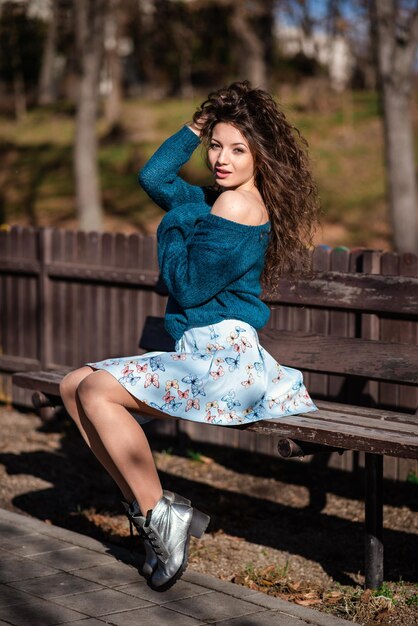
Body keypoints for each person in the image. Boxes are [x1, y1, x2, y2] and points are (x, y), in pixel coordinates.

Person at [60, 81, 319, 591]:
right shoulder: (213, 198)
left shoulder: (236, 207)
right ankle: (154, 512)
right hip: (201, 353)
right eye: (215, 145)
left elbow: (189, 285)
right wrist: (200, 122)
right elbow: (153, 175)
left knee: (94, 390)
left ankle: (160, 515)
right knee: (72, 387)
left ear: (260, 156)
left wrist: (174, 226)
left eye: (238, 150)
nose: (221, 159)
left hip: (227, 362)